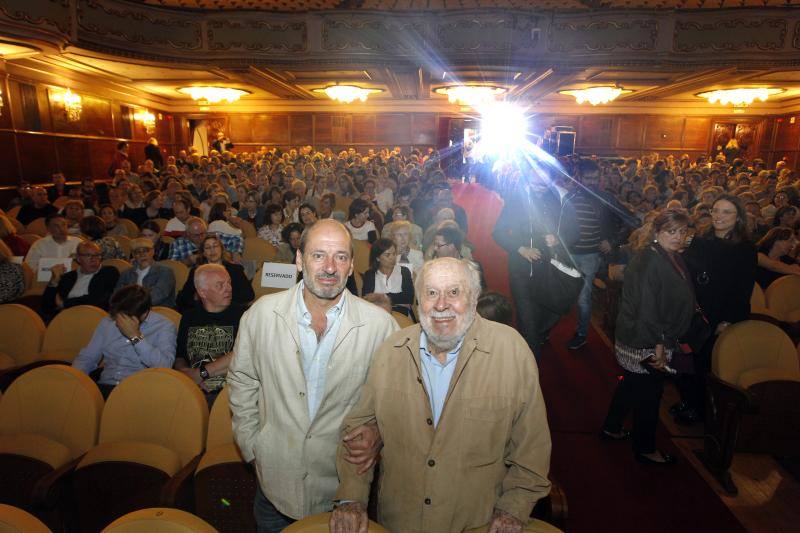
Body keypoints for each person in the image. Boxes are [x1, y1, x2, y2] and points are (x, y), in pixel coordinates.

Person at [330, 258, 551, 533]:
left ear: (474, 297)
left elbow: (532, 446)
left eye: (454, 292)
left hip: (477, 523)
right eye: (431, 293)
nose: (442, 304)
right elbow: (358, 434)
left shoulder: (512, 352)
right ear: (417, 301)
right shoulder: (391, 351)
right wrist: (352, 498)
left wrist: (514, 507)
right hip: (401, 521)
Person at [227, 219, 398, 531]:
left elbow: (394, 402)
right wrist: (253, 446)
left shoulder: (380, 327)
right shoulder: (261, 315)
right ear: (298, 260)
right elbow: (242, 381)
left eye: (341, 257)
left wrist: (379, 434)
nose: (330, 267)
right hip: (274, 486)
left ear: (351, 266)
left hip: (343, 490)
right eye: (318, 255)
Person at [600, 210, 695, 466]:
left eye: (682, 232)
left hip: (647, 335)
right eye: (671, 231)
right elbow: (647, 310)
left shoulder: (667, 255)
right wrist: (660, 345)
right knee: (649, 395)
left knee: (631, 384)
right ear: (657, 232)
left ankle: (612, 426)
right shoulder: (649, 261)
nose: (678, 237)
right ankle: (645, 448)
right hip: (646, 339)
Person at [678, 194, 757, 425]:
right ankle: (687, 402)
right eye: (716, 210)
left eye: (726, 212)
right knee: (685, 360)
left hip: (720, 313)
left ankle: (699, 410)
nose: (718, 216)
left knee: (704, 365)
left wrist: (728, 320)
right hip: (693, 309)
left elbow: (743, 289)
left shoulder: (745, 248)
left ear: (738, 218)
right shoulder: (701, 240)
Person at [492, 167, 579, 356]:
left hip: (549, 270)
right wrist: (521, 249)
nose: (539, 188)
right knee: (528, 322)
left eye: (543, 184)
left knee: (554, 311)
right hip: (521, 272)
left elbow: (574, 232)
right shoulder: (517, 199)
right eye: (534, 183)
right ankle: (530, 363)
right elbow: (497, 232)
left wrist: (558, 239)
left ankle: (535, 335)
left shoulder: (558, 200)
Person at [565, 159, 636, 350]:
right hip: (566, 253)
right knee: (562, 292)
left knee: (583, 297)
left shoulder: (606, 198)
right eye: (588, 178)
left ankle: (581, 334)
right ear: (578, 177)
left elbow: (632, 219)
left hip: (590, 255)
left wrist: (612, 241)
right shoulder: (568, 196)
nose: (592, 182)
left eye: (595, 178)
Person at [72, 285, 176, 398]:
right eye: (118, 316)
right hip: (105, 385)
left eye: (126, 317)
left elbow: (165, 366)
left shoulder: (164, 326)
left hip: (139, 391)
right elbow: (88, 357)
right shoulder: (108, 321)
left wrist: (135, 336)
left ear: (144, 313)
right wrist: (75, 380)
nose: (120, 321)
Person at [175, 264, 246, 407]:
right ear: (202, 292)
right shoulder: (189, 317)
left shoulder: (244, 315)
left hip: (229, 393)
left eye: (229, 283)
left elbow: (243, 355)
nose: (229, 288)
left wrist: (201, 374)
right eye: (220, 285)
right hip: (193, 389)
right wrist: (186, 374)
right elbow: (180, 357)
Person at [42, 241, 120, 321]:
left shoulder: (109, 272)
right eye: (88, 255)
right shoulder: (68, 277)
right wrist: (54, 281)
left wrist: (64, 303)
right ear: (78, 259)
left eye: (97, 255)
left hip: (94, 318)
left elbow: (98, 299)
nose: (94, 259)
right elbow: (47, 306)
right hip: (66, 318)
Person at [176, 234, 253, 312]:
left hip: (230, 310)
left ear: (221, 249)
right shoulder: (196, 272)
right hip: (204, 312)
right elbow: (183, 299)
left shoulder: (235, 270)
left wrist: (219, 297)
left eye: (215, 246)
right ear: (204, 253)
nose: (212, 250)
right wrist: (197, 298)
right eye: (208, 247)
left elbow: (248, 295)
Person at [115, 237, 176, 307]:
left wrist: (131, 305)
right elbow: (117, 296)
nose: (142, 255)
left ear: (153, 251)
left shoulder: (165, 272)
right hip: (129, 311)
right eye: (138, 252)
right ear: (134, 255)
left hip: (158, 311)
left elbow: (156, 297)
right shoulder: (126, 273)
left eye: (146, 251)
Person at [360, 238, 414, 316]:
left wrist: (378, 297)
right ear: (378, 258)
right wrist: (397, 299)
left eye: (394, 254)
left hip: (401, 314)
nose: (392, 258)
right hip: (376, 314)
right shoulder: (370, 274)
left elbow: (408, 298)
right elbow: (367, 299)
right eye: (387, 255)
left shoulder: (404, 271)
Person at [169, 217, 244, 266]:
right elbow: (172, 267)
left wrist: (235, 252)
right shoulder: (178, 243)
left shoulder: (213, 237)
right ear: (188, 234)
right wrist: (187, 261)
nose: (200, 237)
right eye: (196, 235)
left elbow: (237, 238)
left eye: (202, 233)